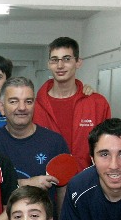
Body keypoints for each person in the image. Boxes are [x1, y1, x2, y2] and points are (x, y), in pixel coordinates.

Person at [0, 76, 71, 210]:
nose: (22, 107)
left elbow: (63, 194)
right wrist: (27, 183)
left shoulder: (55, 142)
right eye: (14, 101)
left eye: (28, 101)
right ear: (1, 107)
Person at [32, 37, 111, 169]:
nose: (60, 65)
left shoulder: (97, 103)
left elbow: (109, 147)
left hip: (88, 181)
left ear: (78, 62)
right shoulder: (34, 106)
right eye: (54, 60)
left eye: (67, 59)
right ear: (48, 64)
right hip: (45, 183)